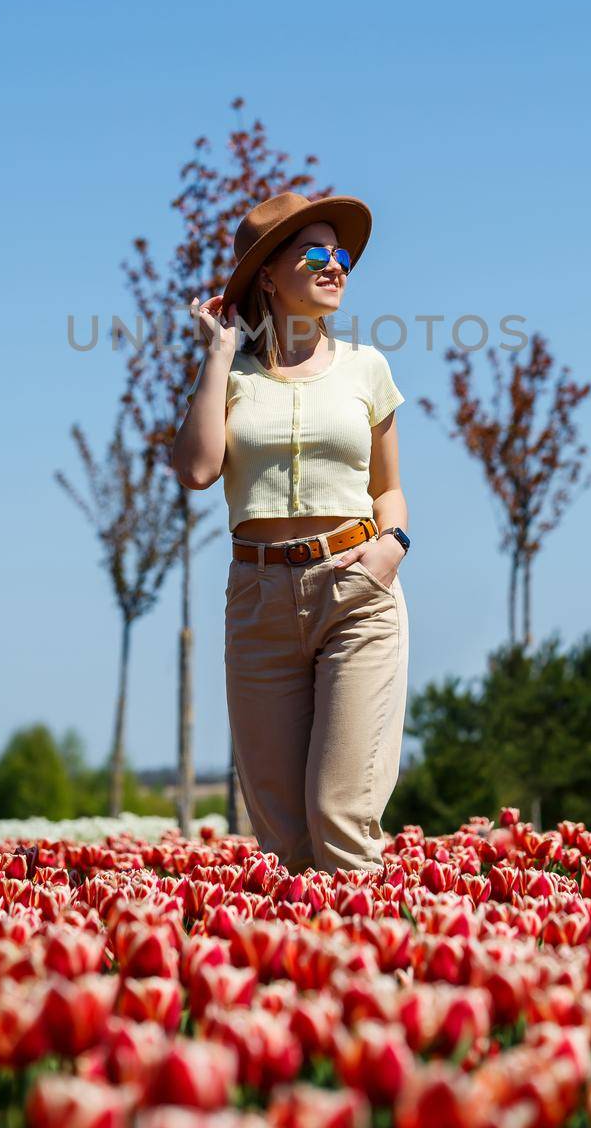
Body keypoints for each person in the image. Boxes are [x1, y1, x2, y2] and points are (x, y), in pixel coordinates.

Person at [171, 189, 411, 876]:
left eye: (341, 255)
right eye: (315, 253)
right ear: (268, 276)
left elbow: (388, 487)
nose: (335, 266)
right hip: (257, 601)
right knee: (282, 835)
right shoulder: (231, 375)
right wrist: (218, 354)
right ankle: (309, 977)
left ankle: (376, 971)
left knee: (340, 818)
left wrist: (388, 552)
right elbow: (195, 470)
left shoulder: (368, 368)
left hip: (355, 590)